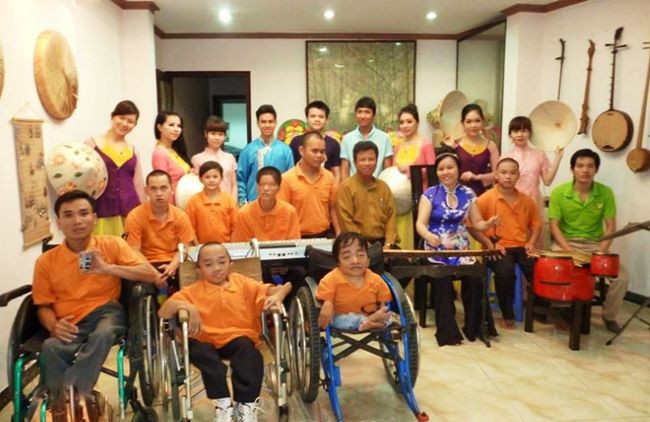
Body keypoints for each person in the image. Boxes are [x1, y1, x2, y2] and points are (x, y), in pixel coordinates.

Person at [32, 190, 159, 418]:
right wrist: (54, 326)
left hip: (106, 312)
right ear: (58, 222)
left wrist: (108, 268)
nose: (77, 221)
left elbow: (151, 274)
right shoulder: (46, 261)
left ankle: (68, 403)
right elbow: (43, 305)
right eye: (68, 215)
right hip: (68, 320)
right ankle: (77, 407)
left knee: (102, 334)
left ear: (94, 218)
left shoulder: (112, 245)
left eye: (83, 213)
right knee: (51, 347)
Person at [158, 242, 291, 422]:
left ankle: (246, 406)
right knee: (202, 354)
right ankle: (223, 405)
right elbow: (163, 312)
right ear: (199, 270)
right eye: (208, 264)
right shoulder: (192, 291)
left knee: (250, 354)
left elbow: (285, 286)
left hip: (237, 338)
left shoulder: (243, 283)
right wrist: (187, 306)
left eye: (222, 262)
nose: (216, 268)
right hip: (203, 339)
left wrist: (278, 295)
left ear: (231, 265)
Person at [415, 148, 500, 346]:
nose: (445, 172)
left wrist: (488, 224)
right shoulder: (430, 194)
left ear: (458, 169)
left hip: (461, 248)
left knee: (475, 276)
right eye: (441, 169)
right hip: (435, 248)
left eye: (450, 167)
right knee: (442, 278)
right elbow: (420, 223)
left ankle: (474, 327)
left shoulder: (468, 193)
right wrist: (428, 235)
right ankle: (448, 332)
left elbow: (477, 223)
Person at [548, 148, 629, 333]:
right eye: (580, 166)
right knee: (556, 268)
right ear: (572, 169)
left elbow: (610, 227)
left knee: (622, 277)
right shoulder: (559, 192)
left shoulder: (605, 193)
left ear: (596, 169)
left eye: (590, 166)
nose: (585, 170)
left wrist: (602, 251)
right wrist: (569, 251)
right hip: (566, 243)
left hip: (595, 244)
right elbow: (554, 226)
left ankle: (609, 316)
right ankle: (561, 310)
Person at [474, 158, 541, 329]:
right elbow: (471, 226)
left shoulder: (526, 200)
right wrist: (489, 244)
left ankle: (540, 310)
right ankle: (507, 314)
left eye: (513, 173)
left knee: (541, 268)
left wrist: (532, 242)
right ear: (496, 175)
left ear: (519, 175)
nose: (508, 176)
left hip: (521, 246)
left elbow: (536, 224)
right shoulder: (485, 199)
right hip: (497, 247)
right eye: (503, 172)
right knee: (506, 272)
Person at [124, 170, 196, 291]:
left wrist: (172, 267)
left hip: (173, 262)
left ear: (171, 189)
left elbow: (184, 249)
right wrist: (154, 274)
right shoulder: (135, 216)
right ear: (146, 190)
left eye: (163, 188)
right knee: (137, 291)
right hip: (145, 263)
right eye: (153, 189)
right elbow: (134, 252)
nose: (159, 193)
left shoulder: (180, 216)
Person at [84, 100, 146, 236]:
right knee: (97, 246)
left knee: (127, 247)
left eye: (130, 121)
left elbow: (138, 185)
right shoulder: (92, 144)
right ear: (113, 116)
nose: (125, 123)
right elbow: (82, 176)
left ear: (135, 125)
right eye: (121, 118)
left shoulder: (133, 150)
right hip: (100, 209)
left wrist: (145, 212)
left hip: (129, 211)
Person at [316, 232, 393, 331]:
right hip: (342, 316)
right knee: (343, 320)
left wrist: (382, 312)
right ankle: (370, 321)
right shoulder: (330, 279)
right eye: (347, 257)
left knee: (389, 317)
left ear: (368, 260)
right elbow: (325, 300)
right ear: (338, 262)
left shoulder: (376, 279)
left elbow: (383, 302)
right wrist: (327, 304)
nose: (355, 261)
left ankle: (371, 323)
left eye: (361, 255)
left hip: (371, 314)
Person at [336, 141, 398, 249]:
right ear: (355, 162)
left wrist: (389, 243)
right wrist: (365, 245)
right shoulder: (346, 187)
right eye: (362, 160)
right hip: (357, 244)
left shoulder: (383, 187)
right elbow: (346, 221)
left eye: (371, 159)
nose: (367, 163)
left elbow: (391, 217)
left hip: (384, 244)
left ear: (377, 161)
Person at [279, 131, 339, 239]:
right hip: (296, 238)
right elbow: (282, 214)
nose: (319, 155)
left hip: (324, 237)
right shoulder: (286, 179)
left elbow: (334, 209)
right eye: (314, 151)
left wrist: (339, 233)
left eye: (322, 151)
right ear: (301, 150)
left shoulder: (329, 177)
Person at [393, 104, 437, 249]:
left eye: (409, 121)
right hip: (400, 199)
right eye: (401, 122)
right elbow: (393, 171)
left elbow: (432, 172)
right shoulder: (398, 145)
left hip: (419, 197)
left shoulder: (426, 145)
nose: (405, 125)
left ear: (417, 123)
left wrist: (409, 169)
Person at [502, 116, 563, 211]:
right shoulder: (505, 157)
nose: (520, 135)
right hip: (511, 203)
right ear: (510, 134)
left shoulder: (539, 154)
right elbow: (501, 184)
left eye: (524, 131)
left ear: (530, 133)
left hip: (534, 203)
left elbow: (547, 181)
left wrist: (558, 159)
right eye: (516, 131)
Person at [236, 105, 294, 205]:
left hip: (280, 204)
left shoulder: (285, 150)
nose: (267, 125)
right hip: (253, 204)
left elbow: (291, 179)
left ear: (275, 123)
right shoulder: (248, 150)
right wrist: (243, 202)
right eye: (263, 122)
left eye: (270, 122)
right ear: (257, 123)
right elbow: (241, 179)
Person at [232, 166, 300, 242]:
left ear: (279, 188)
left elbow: (294, 242)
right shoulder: (244, 213)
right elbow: (240, 244)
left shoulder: (290, 212)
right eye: (262, 184)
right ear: (257, 187)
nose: (266, 189)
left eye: (271, 185)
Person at [446, 103, 500, 196]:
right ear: (462, 123)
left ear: (483, 121)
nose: (473, 125)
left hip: (482, 195)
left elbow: (497, 174)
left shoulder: (491, 146)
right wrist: (449, 148)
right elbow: (446, 172)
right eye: (468, 121)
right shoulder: (455, 145)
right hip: (456, 195)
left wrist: (477, 177)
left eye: (477, 121)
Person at [340, 96, 393, 179]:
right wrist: (346, 187)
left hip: (377, 185)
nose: (362, 116)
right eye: (359, 112)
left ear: (374, 115)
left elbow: (387, 170)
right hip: (354, 186)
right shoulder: (347, 139)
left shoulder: (385, 138)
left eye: (367, 112)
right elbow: (345, 169)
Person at [289, 100, 342, 182]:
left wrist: (334, 189)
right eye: (313, 116)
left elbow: (336, 173)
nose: (317, 119)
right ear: (307, 118)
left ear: (326, 119)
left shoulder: (334, 144)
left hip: (326, 186)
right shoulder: (296, 142)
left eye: (321, 117)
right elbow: (291, 169)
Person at [185, 161, 238, 244]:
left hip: (226, 247)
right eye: (207, 177)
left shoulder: (229, 201)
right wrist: (197, 247)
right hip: (201, 248)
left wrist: (230, 246)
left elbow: (235, 227)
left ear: (221, 178)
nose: (211, 180)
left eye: (215, 177)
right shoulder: (193, 202)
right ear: (200, 179)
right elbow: (190, 228)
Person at [190, 116, 238, 199]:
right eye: (213, 133)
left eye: (220, 134)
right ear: (206, 134)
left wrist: (233, 203)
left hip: (227, 203)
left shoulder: (230, 158)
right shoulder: (197, 159)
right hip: (205, 203)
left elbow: (234, 185)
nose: (217, 138)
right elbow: (195, 186)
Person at [152, 111, 191, 203]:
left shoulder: (174, 150)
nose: (176, 129)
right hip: (171, 203)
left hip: (182, 201)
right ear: (160, 127)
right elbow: (162, 185)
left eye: (179, 126)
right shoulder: (159, 153)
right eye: (171, 125)